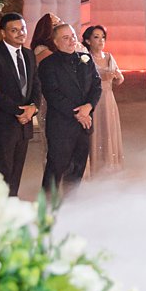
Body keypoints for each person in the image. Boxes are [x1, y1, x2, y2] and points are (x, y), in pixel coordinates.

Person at [0, 12, 40, 196]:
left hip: (24, 124)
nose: (20, 33)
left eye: (22, 28)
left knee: (16, 174)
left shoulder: (29, 54)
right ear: (3, 33)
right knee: (1, 175)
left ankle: (12, 208)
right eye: (14, 30)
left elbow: (36, 85)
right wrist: (18, 111)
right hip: (2, 124)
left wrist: (33, 108)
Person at [39, 22, 100, 194]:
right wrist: (79, 113)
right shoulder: (48, 64)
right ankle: (48, 203)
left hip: (84, 123)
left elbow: (97, 86)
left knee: (78, 165)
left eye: (72, 36)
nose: (71, 40)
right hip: (61, 124)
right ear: (56, 42)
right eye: (65, 38)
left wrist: (88, 107)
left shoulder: (86, 59)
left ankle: (70, 202)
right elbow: (53, 94)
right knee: (56, 166)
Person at [83, 24, 125, 176]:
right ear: (88, 41)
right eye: (96, 37)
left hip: (108, 98)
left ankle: (109, 163)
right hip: (93, 99)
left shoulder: (108, 56)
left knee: (108, 128)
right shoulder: (86, 58)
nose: (101, 41)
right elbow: (84, 81)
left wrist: (116, 77)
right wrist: (102, 77)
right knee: (94, 130)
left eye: (103, 38)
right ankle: (94, 165)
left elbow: (119, 78)